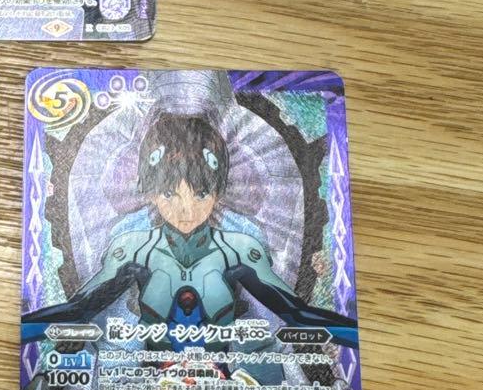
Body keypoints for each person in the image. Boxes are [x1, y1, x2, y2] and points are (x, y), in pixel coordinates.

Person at [22, 112, 358, 349]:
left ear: (218, 193)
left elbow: (296, 313)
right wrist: (12, 332)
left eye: (200, 194)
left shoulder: (238, 251)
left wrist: (359, 335)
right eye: (170, 194)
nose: (186, 210)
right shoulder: (135, 250)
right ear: (151, 194)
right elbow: (79, 310)